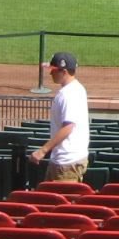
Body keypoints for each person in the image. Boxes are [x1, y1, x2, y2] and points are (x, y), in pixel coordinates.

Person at [30, 52, 89, 183]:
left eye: (54, 70)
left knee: (59, 202)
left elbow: (68, 127)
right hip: (65, 160)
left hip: (66, 163)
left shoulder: (68, 94)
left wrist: (42, 151)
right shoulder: (77, 89)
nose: (51, 73)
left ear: (64, 71)